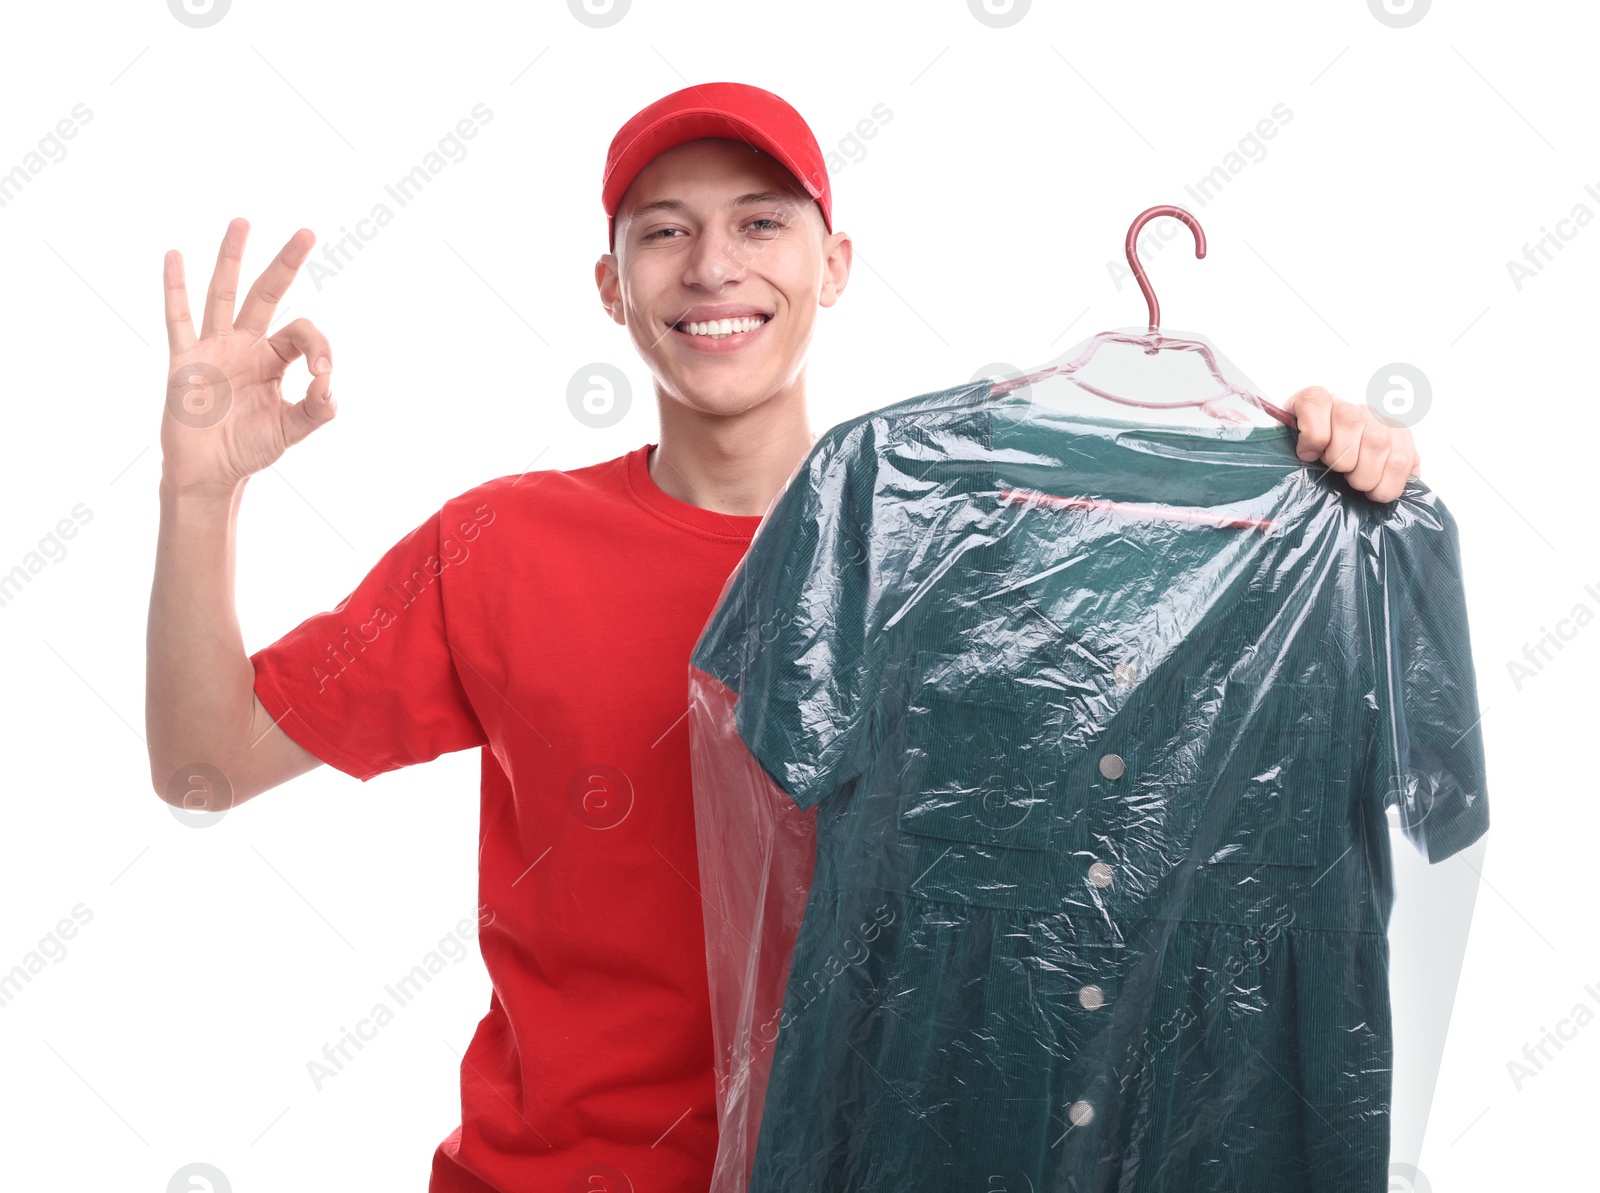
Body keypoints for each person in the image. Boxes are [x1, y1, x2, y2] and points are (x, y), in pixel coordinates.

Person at [145, 81, 1424, 1193]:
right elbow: (203, 763)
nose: (714, 266)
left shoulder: (977, 552)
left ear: (836, 264)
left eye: (762, 222)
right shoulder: (502, 544)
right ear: (611, 286)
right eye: (665, 232)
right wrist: (201, 493)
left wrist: (1300, 484)